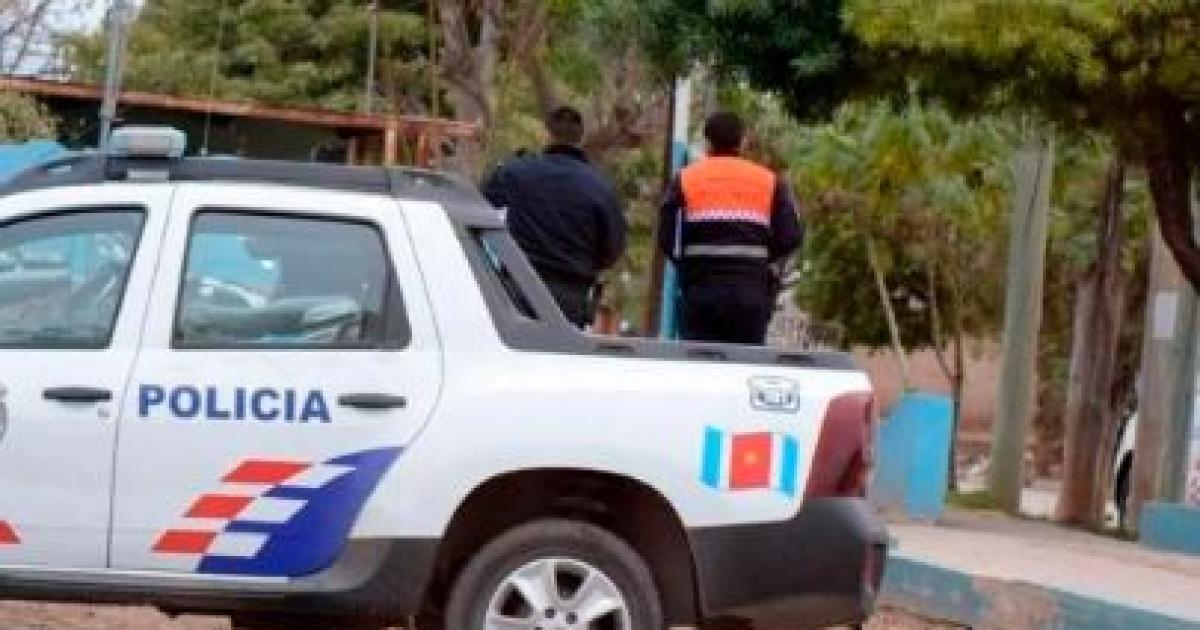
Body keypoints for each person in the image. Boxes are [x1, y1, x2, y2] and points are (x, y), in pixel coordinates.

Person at [658, 112, 802, 344]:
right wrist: (761, 259)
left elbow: (666, 235)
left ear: (707, 143)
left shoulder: (686, 179)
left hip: (702, 291)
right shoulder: (769, 181)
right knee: (743, 367)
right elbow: (791, 236)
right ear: (742, 141)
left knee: (700, 365)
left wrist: (686, 264)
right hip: (750, 295)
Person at [482, 106, 626, 328]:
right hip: (571, 296)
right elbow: (613, 249)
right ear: (580, 138)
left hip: (519, 287)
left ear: (547, 134)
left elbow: (482, 206)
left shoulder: (517, 172)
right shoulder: (600, 188)